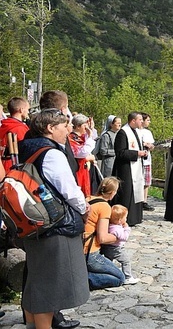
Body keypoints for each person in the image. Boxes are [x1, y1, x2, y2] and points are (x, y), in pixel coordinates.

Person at [18, 109, 89, 329]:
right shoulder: (52, 154)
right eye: (64, 125)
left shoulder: (28, 149)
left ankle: (31, 324)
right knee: (49, 284)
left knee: (36, 278)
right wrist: (83, 209)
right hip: (53, 224)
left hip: (33, 221)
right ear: (50, 128)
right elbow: (68, 190)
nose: (68, 129)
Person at [83, 177, 126, 290]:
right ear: (112, 193)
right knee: (119, 278)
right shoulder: (104, 207)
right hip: (91, 253)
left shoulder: (88, 198)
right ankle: (83, 280)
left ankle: (82, 274)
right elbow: (102, 238)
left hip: (80, 247)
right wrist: (120, 237)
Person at [112, 111, 146, 226]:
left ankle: (134, 217)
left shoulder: (136, 132)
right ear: (133, 120)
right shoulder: (123, 133)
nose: (142, 122)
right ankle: (124, 218)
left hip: (136, 167)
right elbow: (120, 153)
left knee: (135, 193)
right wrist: (137, 154)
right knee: (126, 194)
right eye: (140, 120)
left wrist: (144, 152)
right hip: (125, 169)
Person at [101, 204, 138, 285]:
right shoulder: (116, 229)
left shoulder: (110, 225)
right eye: (125, 217)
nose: (126, 219)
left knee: (109, 261)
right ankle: (128, 277)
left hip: (107, 247)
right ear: (120, 220)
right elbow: (124, 237)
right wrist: (127, 228)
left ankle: (110, 273)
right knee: (126, 261)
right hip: (116, 249)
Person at [69, 114, 97, 197]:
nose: (87, 128)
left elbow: (92, 139)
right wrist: (88, 158)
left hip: (84, 170)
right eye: (85, 126)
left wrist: (91, 129)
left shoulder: (81, 136)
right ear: (78, 126)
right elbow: (82, 152)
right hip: (78, 170)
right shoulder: (71, 138)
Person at [0, 96, 30, 172]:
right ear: (21, 110)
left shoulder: (4, 125)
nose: (28, 112)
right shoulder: (19, 128)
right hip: (14, 166)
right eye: (27, 109)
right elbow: (27, 149)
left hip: (2, 165)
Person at [139, 113, 156, 211]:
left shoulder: (148, 132)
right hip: (138, 160)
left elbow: (153, 146)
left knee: (146, 182)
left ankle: (144, 201)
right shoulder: (136, 131)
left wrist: (150, 146)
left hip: (147, 160)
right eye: (148, 120)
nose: (149, 122)